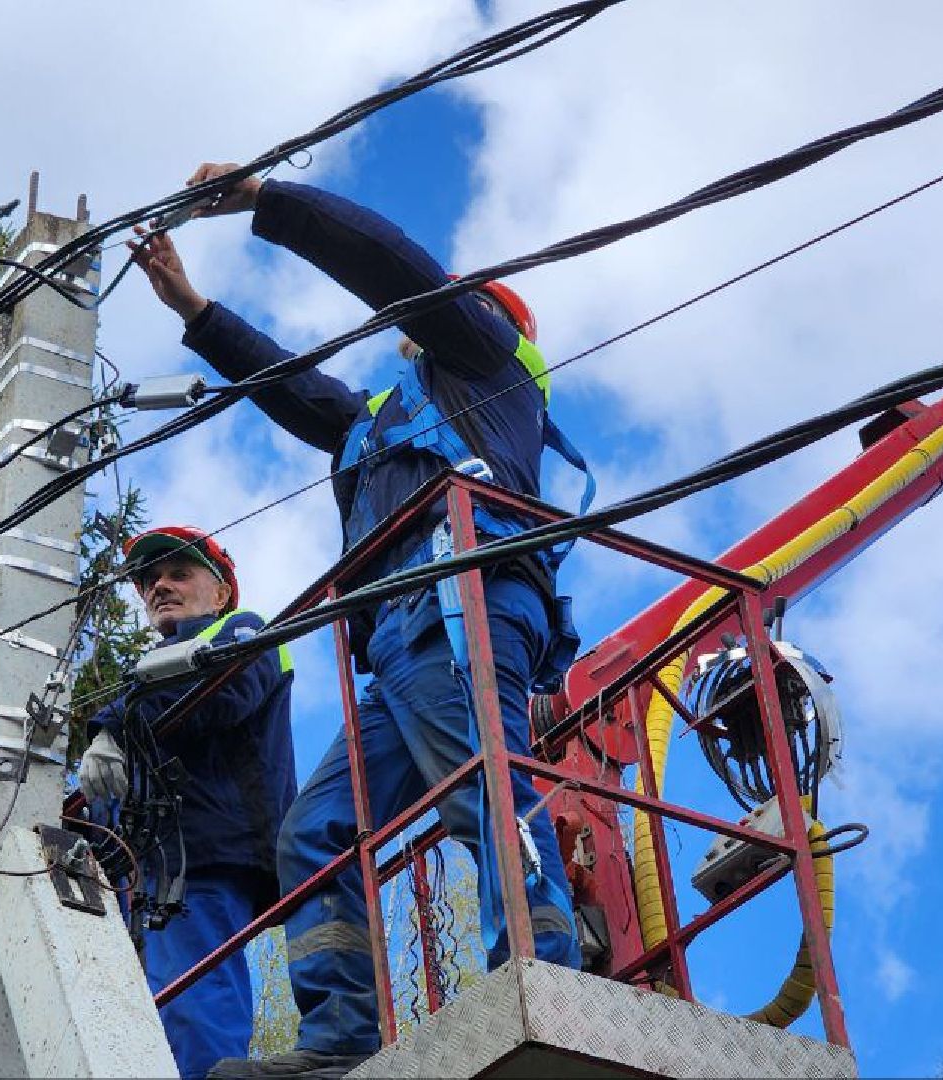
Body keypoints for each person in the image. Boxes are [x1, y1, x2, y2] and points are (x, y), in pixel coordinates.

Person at [129, 165, 586, 1080]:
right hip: (399, 648)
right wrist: (195, 310)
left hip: (467, 609)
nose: (414, 339)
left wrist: (269, 200)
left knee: (483, 786)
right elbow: (290, 387)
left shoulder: (485, 369)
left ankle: (544, 974)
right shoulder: (380, 425)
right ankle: (340, 1038)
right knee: (315, 830)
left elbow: (392, 268)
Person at [78, 525, 298, 1080]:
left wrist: (112, 728)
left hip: (205, 862)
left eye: (179, 573)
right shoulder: (148, 677)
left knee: (197, 1015)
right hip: (150, 879)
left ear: (222, 590)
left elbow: (218, 693)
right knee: (149, 1027)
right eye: (150, 580)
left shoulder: (243, 631)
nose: (160, 586)